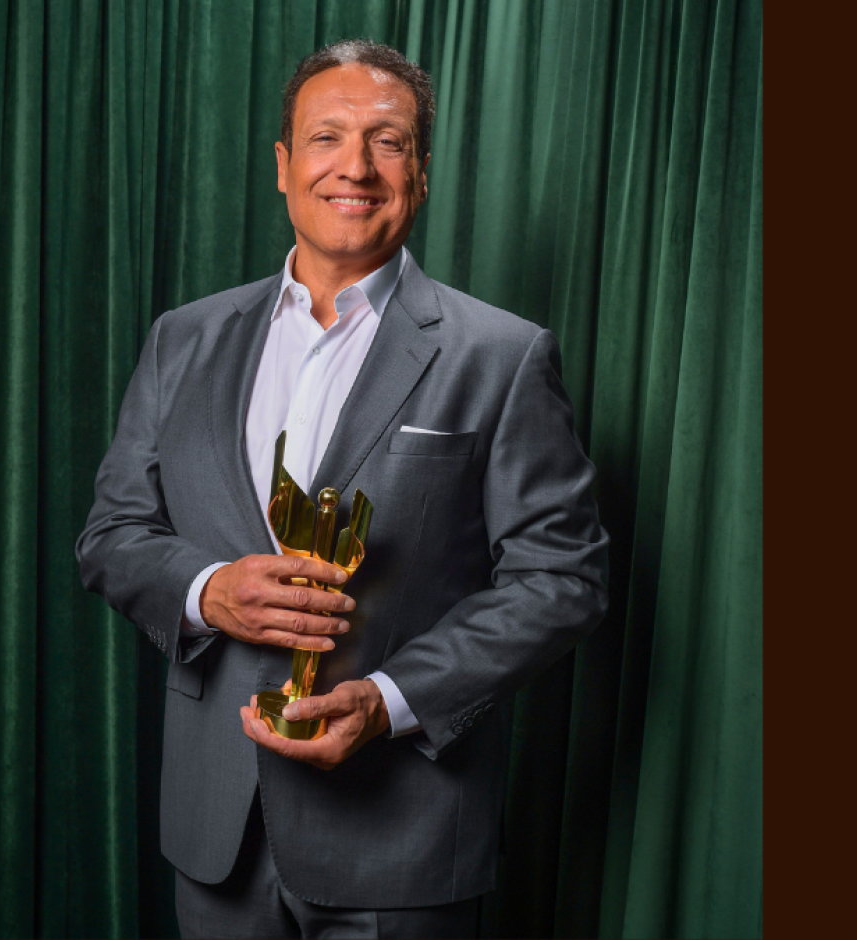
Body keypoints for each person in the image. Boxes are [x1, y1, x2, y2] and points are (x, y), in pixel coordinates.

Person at [77, 39, 608, 939]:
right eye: (327, 137)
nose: (355, 166)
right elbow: (114, 533)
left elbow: (561, 580)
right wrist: (211, 593)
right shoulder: (184, 338)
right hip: (218, 839)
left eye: (388, 141)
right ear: (284, 167)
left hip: (402, 845)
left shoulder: (502, 355)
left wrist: (392, 699)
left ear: (422, 173)